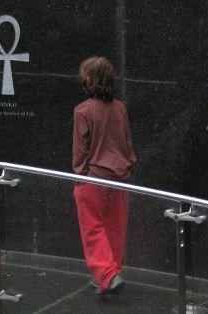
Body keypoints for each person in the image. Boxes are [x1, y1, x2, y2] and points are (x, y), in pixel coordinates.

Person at [72, 56, 136, 296]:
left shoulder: (83, 110)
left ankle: (107, 275)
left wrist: (80, 177)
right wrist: (128, 167)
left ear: (89, 79)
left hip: (94, 178)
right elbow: (127, 142)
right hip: (120, 178)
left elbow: (81, 150)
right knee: (115, 227)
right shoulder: (120, 107)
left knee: (93, 228)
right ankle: (112, 272)